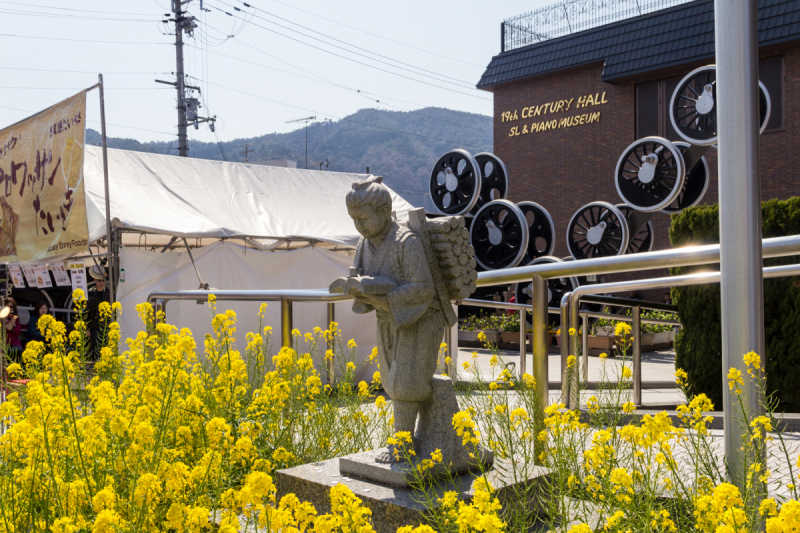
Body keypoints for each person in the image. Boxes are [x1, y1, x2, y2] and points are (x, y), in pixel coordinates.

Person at [86, 276, 109, 358]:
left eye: (103, 281)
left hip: (107, 324)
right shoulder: (90, 293)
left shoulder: (109, 293)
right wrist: (87, 329)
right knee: (97, 347)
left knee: (107, 347)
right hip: (95, 325)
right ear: (95, 280)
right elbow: (86, 312)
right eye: (99, 280)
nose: (101, 283)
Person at [3, 297, 22, 363]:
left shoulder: (15, 318)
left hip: (14, 343)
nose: (10, 308)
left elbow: (17, 334)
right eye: (7, 306)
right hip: (4, 343)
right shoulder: (1, 317)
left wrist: (13, 325)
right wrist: (4, 322)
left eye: (11, 306)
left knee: (18, 351)